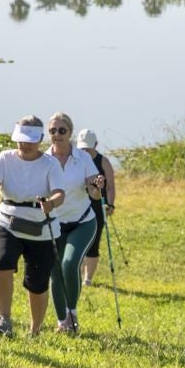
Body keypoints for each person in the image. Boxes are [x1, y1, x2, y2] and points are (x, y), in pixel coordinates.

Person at [0, 116, 68, 337]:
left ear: (40, 139)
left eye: (29, 140)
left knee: (37, 282)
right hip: (7, 220)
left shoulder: (50, 164)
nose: (24, 145)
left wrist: (50, 203)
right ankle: (4, 319)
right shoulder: (5, 157)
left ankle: (35, 329)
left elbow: (59, 193)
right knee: (1, 262)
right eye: (20, 140)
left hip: (41, 228)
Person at [44, 112, 107, 335]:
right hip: (54, 224)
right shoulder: (44, 159)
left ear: (70, 133)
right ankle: (62, 322)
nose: (57, 134)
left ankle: (72, 314)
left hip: (82, 222)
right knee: (55, 271)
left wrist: (96, 186)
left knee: (69, 264)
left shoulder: (83, 158)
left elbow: (94, 193)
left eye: (62, 130)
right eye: (52, 130)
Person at [76, 128, 118, 292]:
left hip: (98, 206)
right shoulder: (76, 160)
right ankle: (77, 273)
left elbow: (110, 186)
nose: (85, 151)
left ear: (95, 145)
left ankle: (88, 279)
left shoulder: (103, 162)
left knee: (94, 242)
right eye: (82, 148)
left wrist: (110, 204)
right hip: (78, 205)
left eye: (88, 148)